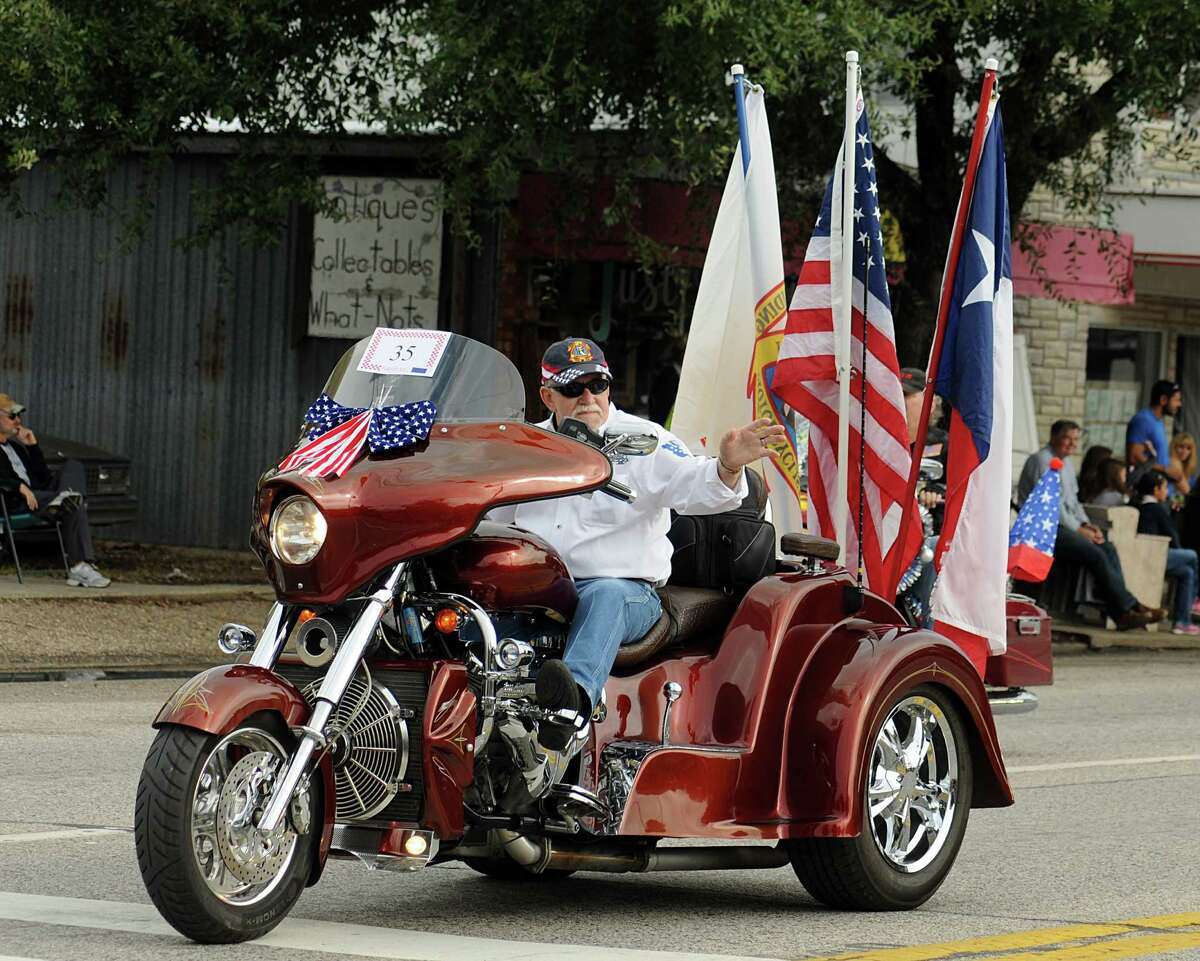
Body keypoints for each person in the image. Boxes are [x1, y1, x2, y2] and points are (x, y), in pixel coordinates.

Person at [490, 338, 783, 751]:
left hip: (625, 592)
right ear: (547, 395)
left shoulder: (644, 440)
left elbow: (695, 488)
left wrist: (729, 466)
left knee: (606, 594)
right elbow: (492, 518)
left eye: (598, 384)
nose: (589, 398)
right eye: (574, 388)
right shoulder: (526, 447)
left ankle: (569, 706)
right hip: (542, 589)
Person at [1017, 420, 1158, 630]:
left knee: (1107, 547)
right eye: (1068, 438)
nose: (1073, 444)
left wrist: (1088, 525)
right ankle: (1127, 608)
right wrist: (1079, 530)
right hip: (1042, 530)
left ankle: (1123, 611)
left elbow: (1073, 502)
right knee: (1095, 554)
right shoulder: (1043, 461)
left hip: (1063, 526)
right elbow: (1053, 508)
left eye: (1076, 439)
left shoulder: (1066, 463)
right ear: (1054, 437)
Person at [0, 393, 110, 587]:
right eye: (12, 416)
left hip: (40, 496)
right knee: (74, 504)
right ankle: (80, 566)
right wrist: (18, 486)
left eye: (19, 416)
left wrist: (33, 447)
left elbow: (43, 479)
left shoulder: (16, 448)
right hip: (15, 500)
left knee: (73, 466)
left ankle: (67, 501)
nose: (18, 420)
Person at [1134, 469, 1200, 635]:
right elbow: (1173, 535)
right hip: (1154, 555)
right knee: (1192, 556)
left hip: (1138, 554)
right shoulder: (1156, 508)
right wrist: (1180, 552)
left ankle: (1181, 622)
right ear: (1156, 490)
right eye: (1164, 488)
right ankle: (1191, 605)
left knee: (1187, 572)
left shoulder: (1136, 504)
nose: (1166, 492)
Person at [1126, 380, 1186, 490]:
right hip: (1147, 492)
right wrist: (1165, 470)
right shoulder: (1143, 420)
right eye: (1176, 400)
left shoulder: (1158, 421)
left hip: (1161, 491)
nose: (1179, 404)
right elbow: (1134, 457)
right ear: (1163, 400)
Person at [1168, 432, 1198, 498]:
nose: (1184, 451)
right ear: (1174, 447)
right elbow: (1187, 491)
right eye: (1181, 447)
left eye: (1188, 448)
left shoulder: (1188, 467)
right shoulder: (1171, 463)